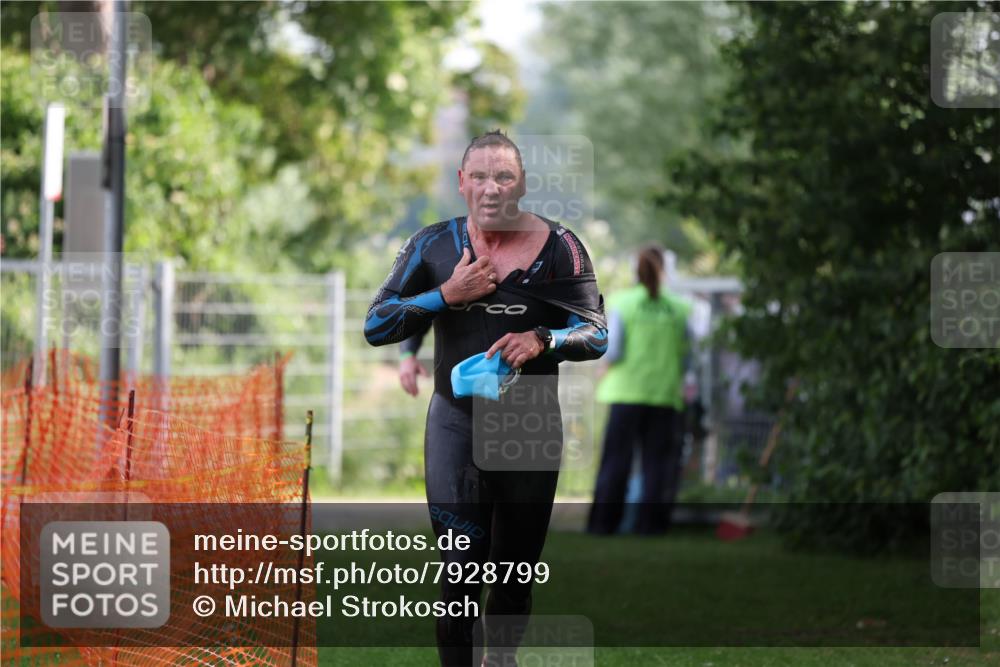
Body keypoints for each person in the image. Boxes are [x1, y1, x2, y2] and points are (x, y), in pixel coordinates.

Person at [365, 130, 607, 667]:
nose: (490, 189)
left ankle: (502, 660)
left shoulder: (561, 248)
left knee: (512, 578)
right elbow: (377, 324)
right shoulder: (433, 245)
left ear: (522, 184)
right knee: (459, 580)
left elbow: (596, 335)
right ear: (461, 183)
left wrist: (544, 339)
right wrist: (447, 294)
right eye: (478, 176)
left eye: (503, 177)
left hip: (529, 431)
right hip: (455, 425)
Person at [587, 244, 693, 535]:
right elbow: (688, 355)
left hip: (625, 394)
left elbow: (615, 349)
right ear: (664, 269)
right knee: (657, 466)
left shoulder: (623, 302)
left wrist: (602, 369)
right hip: (664, 394)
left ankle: (603, 525)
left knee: (616, 463)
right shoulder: (681, 307)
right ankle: (652, 527)